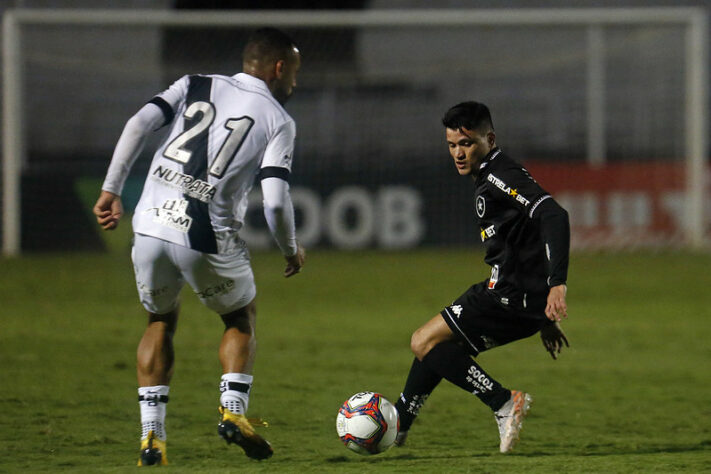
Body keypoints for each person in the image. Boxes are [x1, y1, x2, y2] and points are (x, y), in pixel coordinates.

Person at [93, 27, 305, 466]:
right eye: (295, 74)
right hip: (205, 234)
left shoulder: (194, 83)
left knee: (159, 320)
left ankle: (152, 437)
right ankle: (233, 411)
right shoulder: (278, 119)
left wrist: (112, 189)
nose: (295, 85)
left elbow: (138, 124)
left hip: (149, 225)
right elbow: (277, 200)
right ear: (279, 67)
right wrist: (290, 249)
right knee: (239, 317)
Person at [393, 101, 570, 454]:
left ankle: (504, 402)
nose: (458, 153)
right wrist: (543, 316)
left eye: (467, 143)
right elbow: (530, 234)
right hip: (521, 299)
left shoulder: (499, 175)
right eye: (452, 145)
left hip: (508, 296)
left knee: (422, 341)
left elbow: (554, 215)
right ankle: (399, 422)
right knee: (439, 346)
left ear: (489, 138)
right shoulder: (488, 175)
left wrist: (556, 284)